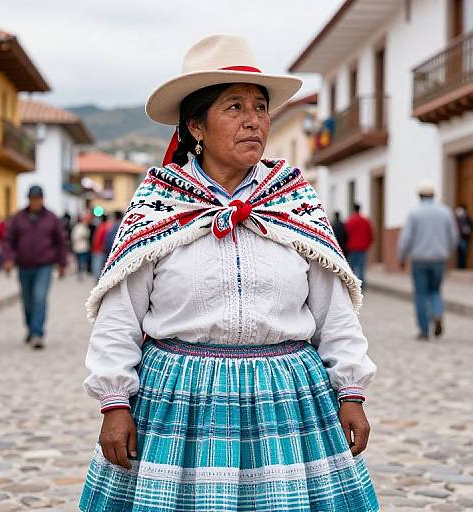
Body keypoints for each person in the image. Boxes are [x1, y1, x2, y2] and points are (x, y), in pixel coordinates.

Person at [79, 35, 379, 512]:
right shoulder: (160, 206)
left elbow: (332, 309)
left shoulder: (293, 203)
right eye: (234, 107)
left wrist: (351, 390)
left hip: (287, 400)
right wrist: (114, 402)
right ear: (196, 124)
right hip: (180, 403)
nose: (252, 121)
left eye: (260, 108)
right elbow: (121, 314)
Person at [2, 185, 68, 349]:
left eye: (38, 199)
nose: (35, 202)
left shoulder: (52, 218)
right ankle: (31, 328)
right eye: (33, 199)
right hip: (24, 266)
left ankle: (37, 333)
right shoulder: (18, 218)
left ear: (42, 199)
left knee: (39, 297)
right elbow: (8, 240)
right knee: (27, 301)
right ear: (28, 199)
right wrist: (8, 259)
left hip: (44, 266)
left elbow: (61, 242)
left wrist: (62, 263)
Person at [398, 183, 458, 340]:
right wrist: (449, 252)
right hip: (439, 258)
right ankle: (437, 314)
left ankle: (424, 331)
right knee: (435, 290)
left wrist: (402, 257)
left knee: (420, 294)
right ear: (434, 195)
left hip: (420, 259)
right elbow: (454, 236)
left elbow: (406, 238)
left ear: (419, 196)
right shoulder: (445, 212)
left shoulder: (414, 213)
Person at [345, 203, 374, 290]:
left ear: (353, 210)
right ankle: (362, 286)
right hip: (362, 248)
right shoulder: (365, 221)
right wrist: (367, 245)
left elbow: (346, 234)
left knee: (352, 268)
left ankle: (352, 286)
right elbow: (370, 234)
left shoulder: (350, 221)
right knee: (361, 268)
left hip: (352, 248)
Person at [91, 214, 111, 282]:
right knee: (100, 265)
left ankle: (98, 280)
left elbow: (98, 239)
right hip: (101, 249)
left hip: (98, 249)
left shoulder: (101, 227)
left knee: (97, 265)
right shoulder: (107, 227)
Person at [71, 215, 92, 280]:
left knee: (80, 261)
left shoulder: (77, 227)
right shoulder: (82, 227)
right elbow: (86, 235)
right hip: (82, 248)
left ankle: (81, 273)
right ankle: (81, 273)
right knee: (81, 261)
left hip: (80, 247)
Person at [455, 204, 472, 269]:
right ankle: (458, 267)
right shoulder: (456, 219)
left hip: (464, 239)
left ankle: (462, 268)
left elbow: (470, 227)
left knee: (463, 254)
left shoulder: (467, 218)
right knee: (458, 254)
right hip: (457, 239)